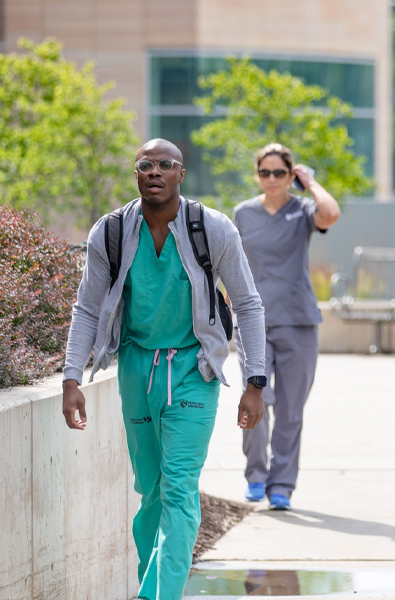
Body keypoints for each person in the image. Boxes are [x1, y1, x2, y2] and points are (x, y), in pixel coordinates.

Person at [61, 138, 268, 600]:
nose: (155, 171)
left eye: (165, 164)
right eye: (145, 164)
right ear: (136, 174)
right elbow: (87, 309)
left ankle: (157, 596)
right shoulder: (110, 233)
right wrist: (71, 376)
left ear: (180, 174)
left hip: (196, 370)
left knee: (179, 488)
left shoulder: (213, 229)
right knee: (150, 489)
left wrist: (256, 381)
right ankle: (150, 584)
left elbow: (249, 306)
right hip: (136, 370)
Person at [232, 143, 341, 511]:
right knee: (257, 398)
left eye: (280, 172)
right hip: (253, 323)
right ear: (257, 175)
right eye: (265, 172)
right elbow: (232, 262)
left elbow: (331, 214)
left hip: (298, 321)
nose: (273, 179)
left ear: (290, 174)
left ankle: (282, 485)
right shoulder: (242, 214)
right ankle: (256, 475)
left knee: (291, 410)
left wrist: (309, 182)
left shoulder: (303, 209)